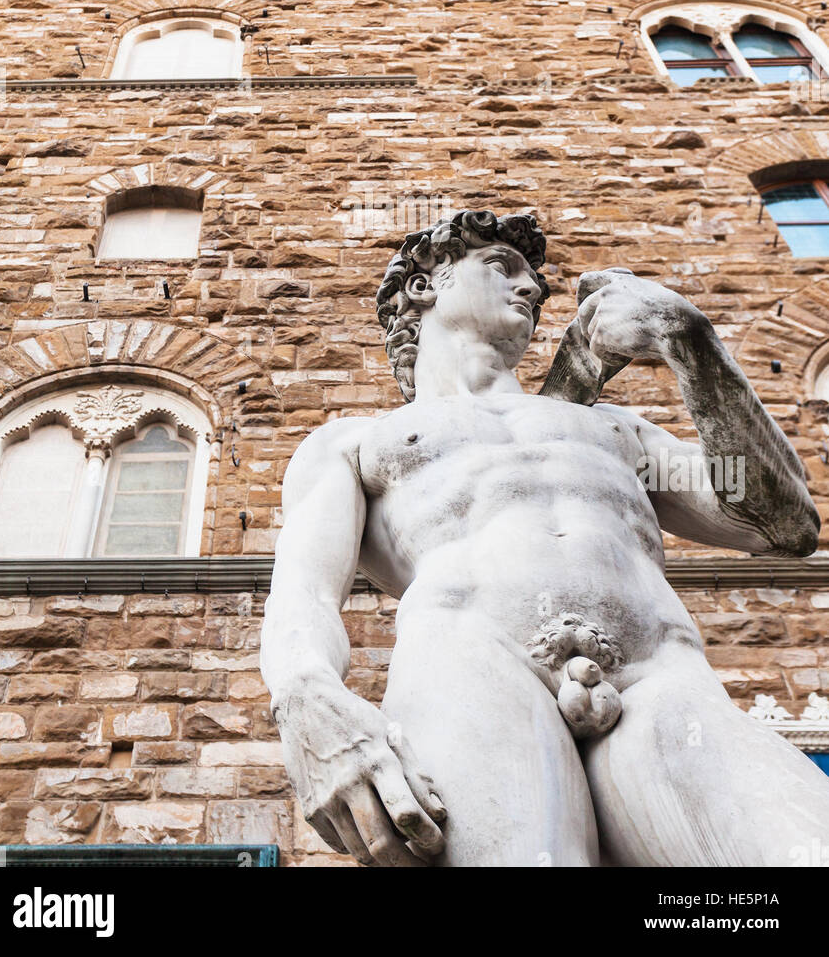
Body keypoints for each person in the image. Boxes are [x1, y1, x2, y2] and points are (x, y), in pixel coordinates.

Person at [261, 209, 828, 866]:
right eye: (501, 268)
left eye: (536, 281)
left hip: (662, 676)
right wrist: (308, 698)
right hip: (472, 665)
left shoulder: (615, 430)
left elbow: (781, 524)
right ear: (424, 287)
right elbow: (303, 589)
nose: (530, 288)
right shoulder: (358, 440)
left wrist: (689, 337)